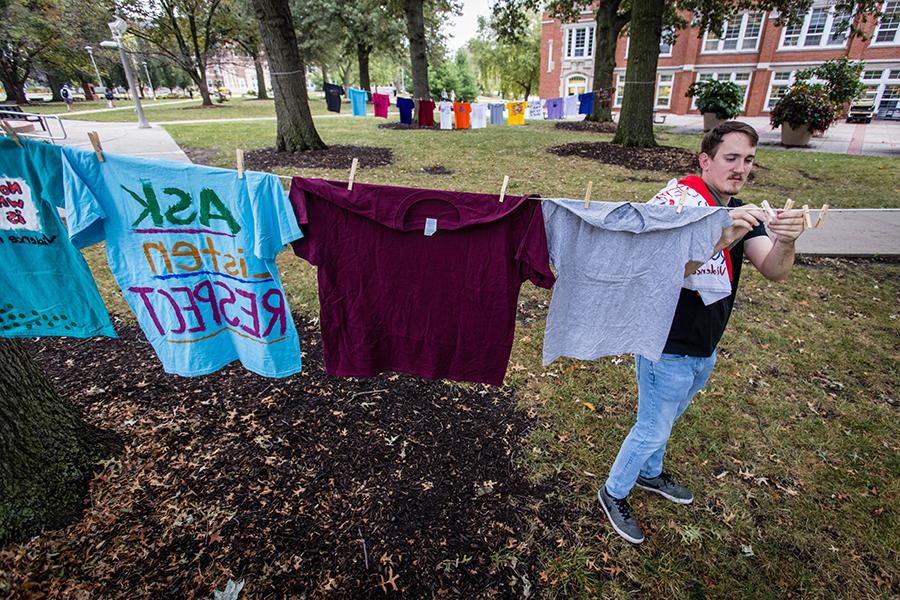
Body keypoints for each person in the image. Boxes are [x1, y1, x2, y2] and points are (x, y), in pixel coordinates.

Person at [597, 121, 806, 545]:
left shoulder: (743, 211)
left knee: (667, 418)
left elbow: (774, 270)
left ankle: (650, 475)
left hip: (705, 343)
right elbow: (654, 266)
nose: (741, 169)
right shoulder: (680, 204)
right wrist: (719, 236)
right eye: (731, 158)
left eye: (748, 160)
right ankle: (613, 492)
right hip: (667, 342)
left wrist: (786, 241)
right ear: (705, 160)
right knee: (652, 427)